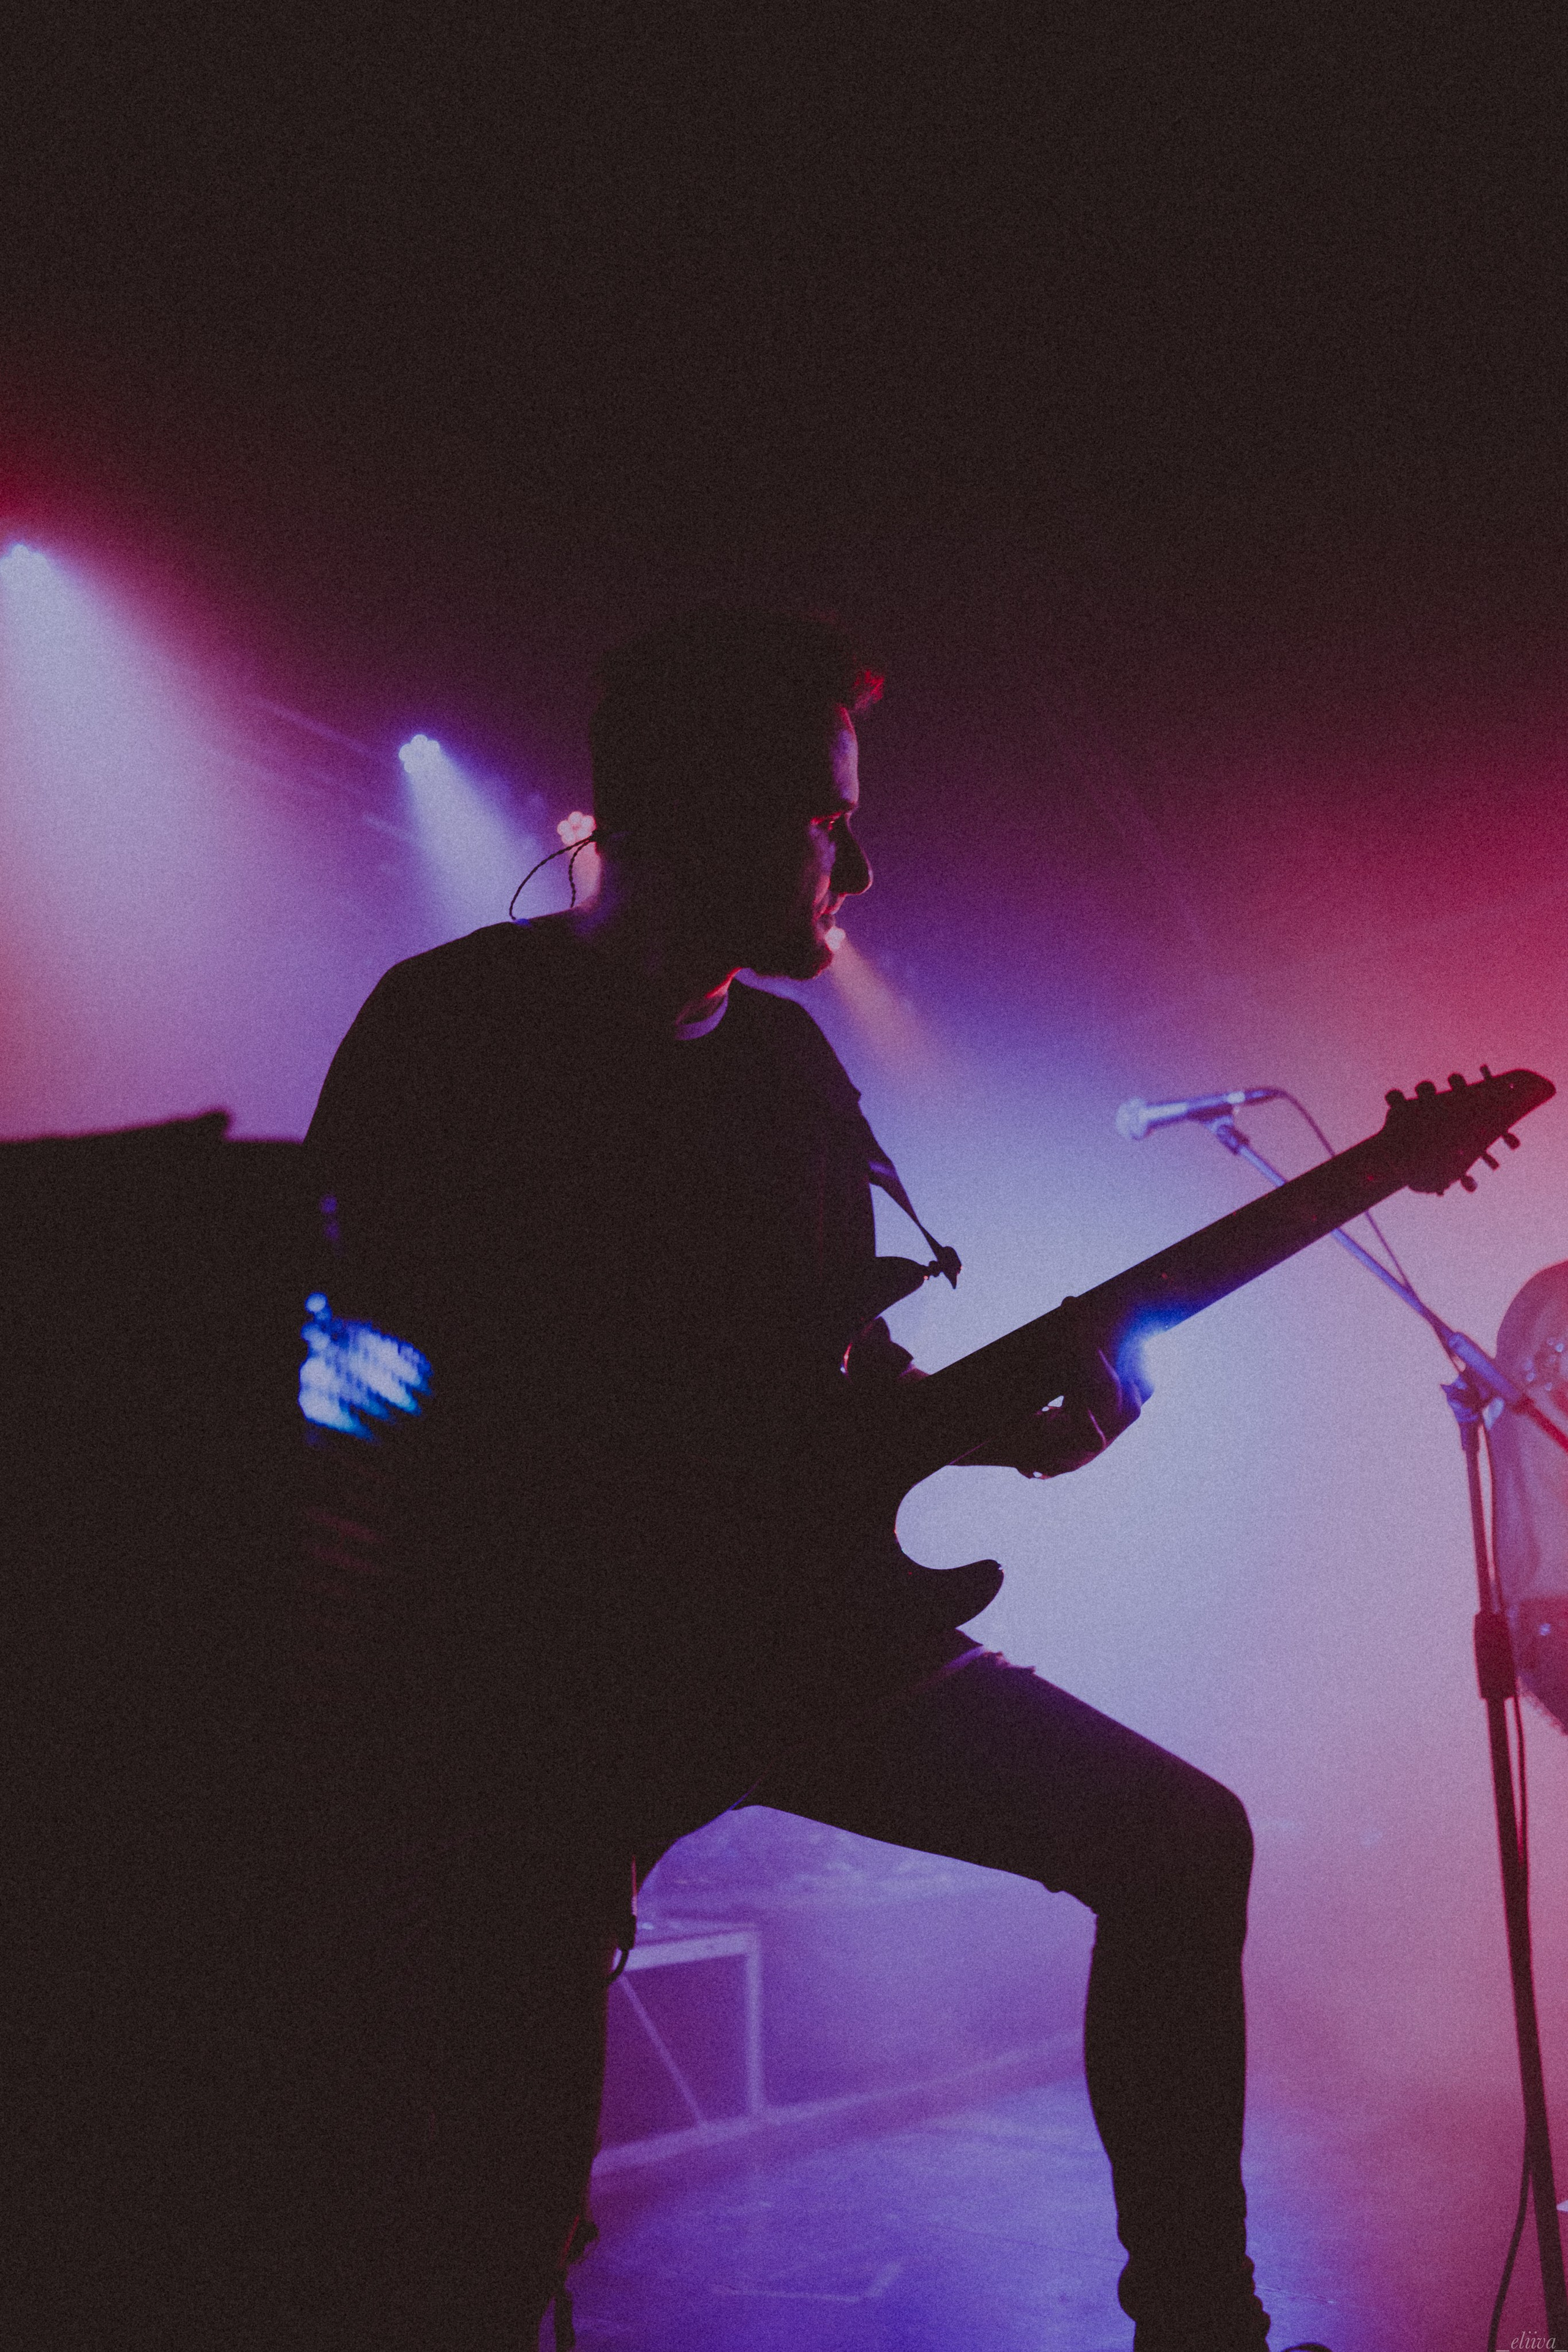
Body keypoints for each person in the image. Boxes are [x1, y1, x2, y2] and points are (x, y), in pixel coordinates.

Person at [298, 606, 1286, 2351]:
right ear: (694, 814)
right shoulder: (457, 1030)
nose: (867, 863)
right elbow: (344, 1348)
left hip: (792, 1633)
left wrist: (994, 1420)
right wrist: (368, 1570)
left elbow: (845, 1370)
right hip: (526, 1675)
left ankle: (1201, 2329)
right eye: (830, 818)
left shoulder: (786, 1069)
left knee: (1180, 1841)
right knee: (482, 2224)